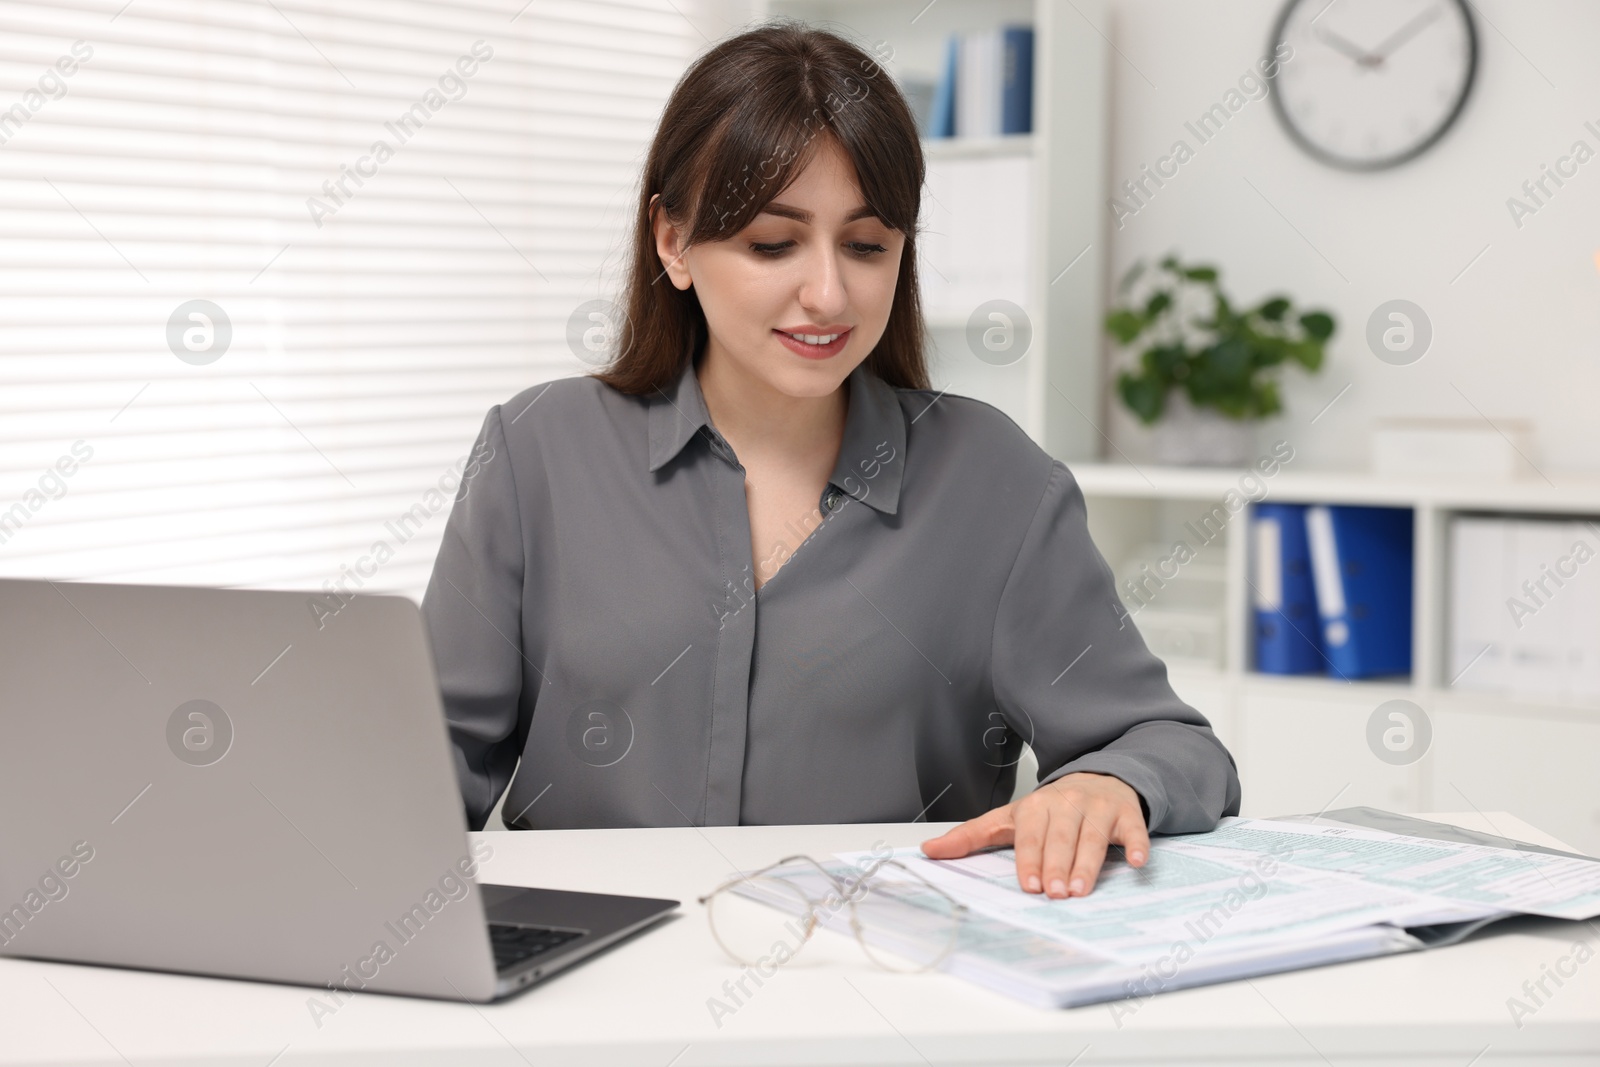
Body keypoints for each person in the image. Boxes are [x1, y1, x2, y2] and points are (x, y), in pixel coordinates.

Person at [420, 20, 1240, 901]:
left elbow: (1178, 747)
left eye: (867, 244)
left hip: (879, 985)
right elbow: (419, 773)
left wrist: (1106, 783)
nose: (829, 293)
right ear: (671, 241)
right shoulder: (539, 450)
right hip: (591, 995)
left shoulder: (993, 482)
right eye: (773, 244)